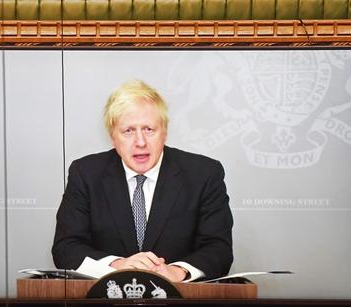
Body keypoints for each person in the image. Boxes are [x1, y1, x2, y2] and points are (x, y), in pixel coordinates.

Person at [52, 80, 233, 282]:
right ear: (113, 137)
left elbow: (219, 249)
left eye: (149, 129)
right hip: (104, 306)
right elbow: (65, 247)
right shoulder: (86, 173)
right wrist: (117, 266)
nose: (140, 142)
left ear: (164, 133)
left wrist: (177, 272)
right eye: (128, 131)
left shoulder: (204, 174)